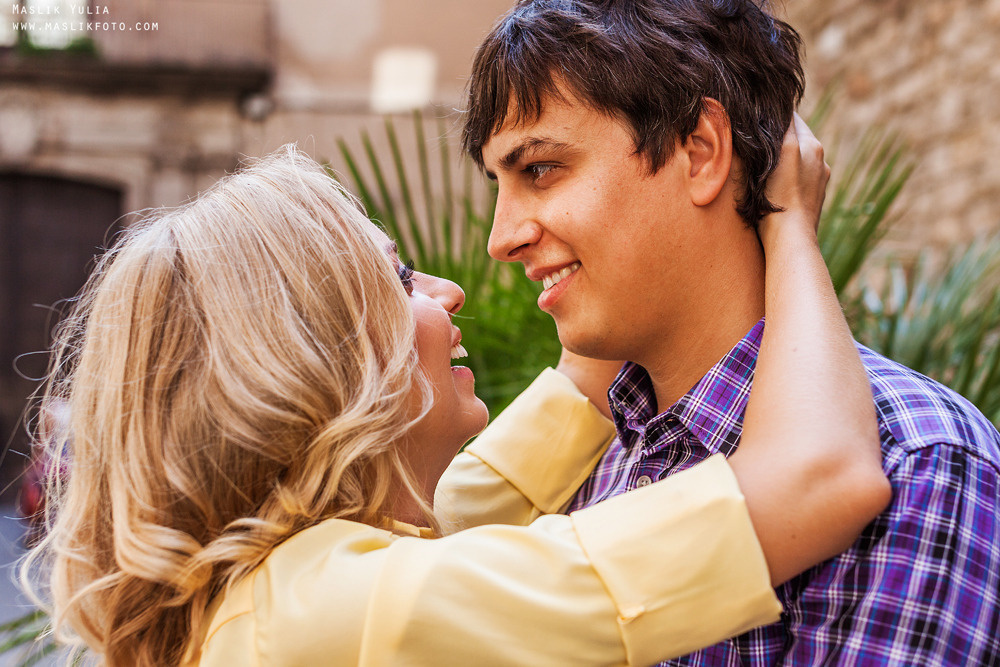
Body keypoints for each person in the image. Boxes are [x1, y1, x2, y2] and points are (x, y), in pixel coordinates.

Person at [20, 135, 885, 667]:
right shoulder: (344, 613)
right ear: (314, 365)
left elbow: (526, 451)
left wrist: (616, 267)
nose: (451, 288)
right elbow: (820, 478)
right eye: (399, 279)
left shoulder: (275, 588)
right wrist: (787, 224)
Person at [463, 0, 1000, 664]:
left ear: (700, 151)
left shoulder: (919, 459)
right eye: (500, 183)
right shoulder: (572, 473)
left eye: (539, 168)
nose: (500, 239)